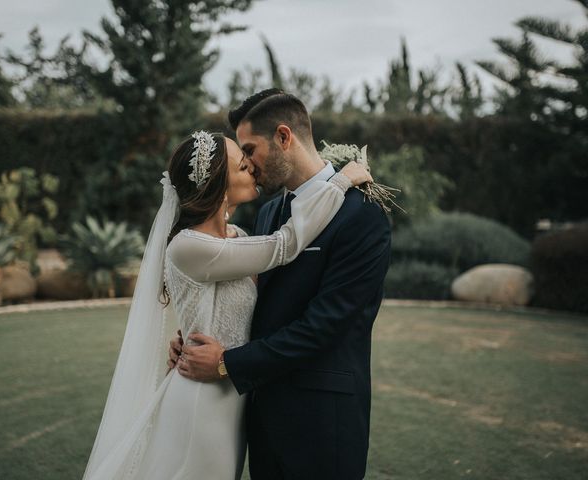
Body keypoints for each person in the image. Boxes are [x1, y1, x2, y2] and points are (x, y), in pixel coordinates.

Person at [81, 127, 371, 480]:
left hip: (233, 399)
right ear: (218, 185)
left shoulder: (240, 238)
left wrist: (188, 334)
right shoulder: (187, 246)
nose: (251, 167)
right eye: (240, 165)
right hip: (201, 402)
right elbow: (285, 245)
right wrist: (339, 183)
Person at [170, 89, 392, 479]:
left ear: (284, 138)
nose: (248, 165)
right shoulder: (271, 212)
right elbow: (249, 300)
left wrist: (225, 363)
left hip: (322, 423)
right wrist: (192, 338)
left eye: (250, 150)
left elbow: (324, 325)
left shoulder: (362, 214)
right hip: (258, 416)